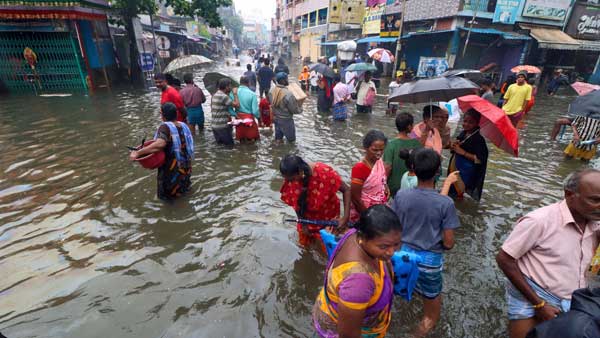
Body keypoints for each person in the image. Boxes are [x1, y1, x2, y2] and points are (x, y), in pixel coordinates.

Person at [496, 169, 600, 338]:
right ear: (569, 194)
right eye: (595, 200)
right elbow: (504, 259)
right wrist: (539, 304)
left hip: (574, 298)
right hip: (534, 295)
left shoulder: (595, 222)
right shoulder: (539, 221)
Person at [391, 148, 461, 338]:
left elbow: (392, 228)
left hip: (401, 257)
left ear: (412, 168)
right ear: (438, 171)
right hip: (429, 263)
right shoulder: (445, 204)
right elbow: (448, 242)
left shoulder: (401, 195)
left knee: (399, 297)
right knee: (431, 317)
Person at [312, 204, 401, 338]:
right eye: (384, 246)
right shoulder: (359, 283)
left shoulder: (354, 234)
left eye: (396, 244)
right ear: (363, 237)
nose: (392, 252)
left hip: (332, 311)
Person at [279, 155, 351, 247]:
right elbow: (296, 204)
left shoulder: (324, 173)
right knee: (304, 247)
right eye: (286, 179)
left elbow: (346, 190)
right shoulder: (290, 180)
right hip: (307, 220)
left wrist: (345, 218)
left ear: (300, 172)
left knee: (330, 250)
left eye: (292, 179)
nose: (289, 182)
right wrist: (303, 224)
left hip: (328, 219)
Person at [129, 102, 194, 200]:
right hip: (185, 167)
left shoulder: (165, 127)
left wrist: (138, 153)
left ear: (163, 115)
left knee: (168, 199)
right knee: (184, 194)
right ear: (175, 114)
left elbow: (160, 143)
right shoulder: (183, 125)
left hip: (172, 171)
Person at [448, 109, 489, 201]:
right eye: (465, 121)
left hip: (467, 171)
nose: (466, 124)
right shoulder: (463, 133)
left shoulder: (479, 140)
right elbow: (456, 149)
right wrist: (454, 146)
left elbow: (480, 159)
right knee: (451, 188)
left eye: (470, 122)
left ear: (477, 124)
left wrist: (463, 152)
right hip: (456, 165)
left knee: (460, 192)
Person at [350, 130, 389, 223]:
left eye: (381, 150)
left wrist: (385, 188)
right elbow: (355, 198)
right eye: (375, 150)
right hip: (364, 212)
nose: (379, 153)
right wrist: (368, 216)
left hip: (379, 209)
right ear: (366, 148)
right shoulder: (359, 168)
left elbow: (382, 180)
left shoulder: (379, 162)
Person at [383, 113, 423, 197]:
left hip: (394, 186)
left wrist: (383, 185)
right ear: (409, 126)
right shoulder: (417, 143)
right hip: (412, 184)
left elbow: (387, 167)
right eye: (412, 124)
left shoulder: (390, 145)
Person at [269, 72, 302, 143]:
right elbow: (294, 110)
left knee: (278, 140)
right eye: (287, 79)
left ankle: (277, 152)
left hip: (276, 119)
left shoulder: (271, 91)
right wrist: (300, 107)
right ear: (283, 80)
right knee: (291, 142)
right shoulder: (288, 94)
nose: (288, 80)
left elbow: (271, 104)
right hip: (286, 121)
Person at [211, 78, 239, 146]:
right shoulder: (223, 96)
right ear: (226, 87)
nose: (231, 87)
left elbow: (220, 108)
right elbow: (237, 105)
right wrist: (235, 94)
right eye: (230, 86)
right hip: (222, 127)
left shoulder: (216, 94)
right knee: (230, 147)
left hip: (215, 126)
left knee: (221, 147)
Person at [235, 76, 260, 142]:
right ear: (248, 83)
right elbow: (255, 111)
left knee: (241, 140)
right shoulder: (252, 94)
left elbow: (229, 108)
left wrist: (234, 114)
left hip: (238, 118)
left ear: (240, 82)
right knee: (252, 140)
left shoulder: (234, 93)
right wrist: (259, 119)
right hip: (249, 119)